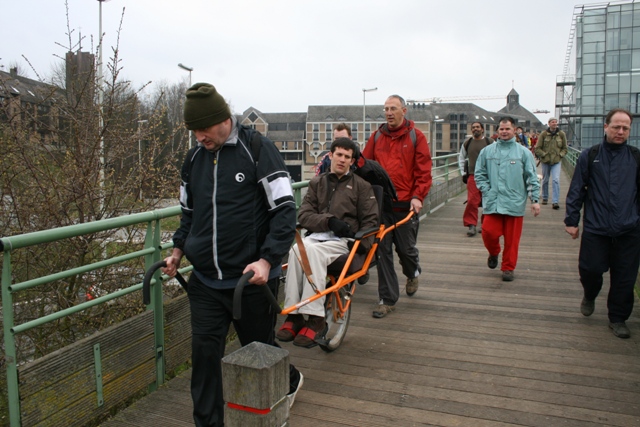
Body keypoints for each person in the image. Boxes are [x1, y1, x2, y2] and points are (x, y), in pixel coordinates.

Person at [161, 83, 302, 427]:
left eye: (204, 129)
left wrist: (267, 260)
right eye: (193, 131)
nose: (199, 137)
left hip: (250, 281)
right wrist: (178, 250)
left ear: (224, 119)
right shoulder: (194, 158)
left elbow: (285, 211)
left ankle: (286, 385)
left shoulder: (258, 149)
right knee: (205, 358)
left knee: (260, 353)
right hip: (207, 282)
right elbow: (188, 213)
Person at [277, 137, 379, 347]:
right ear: (331, 155)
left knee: (310, 252)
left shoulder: (362, 187)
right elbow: (304, 215)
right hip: (319, 236)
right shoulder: (317, 183)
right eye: (339, 155)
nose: (342, 160)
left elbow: (371, 221)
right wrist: (329, 221)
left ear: (352, 161)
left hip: (345, 240)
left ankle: (315, 318)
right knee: (297, 249)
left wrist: (359, 245)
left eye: (347, 157)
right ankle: (294, 315)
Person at [565, 108, 640, 339]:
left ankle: (617, 318)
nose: (620, 131)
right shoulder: (590, 155)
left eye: (625, 128)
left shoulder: (636, 157)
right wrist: (572, 219)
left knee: (624, 277)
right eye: (616, 127)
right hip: (597, 226)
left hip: (629, 228)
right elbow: (577, 188)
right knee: (590, 269)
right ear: (605, 127)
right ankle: (590, 293)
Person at [361, 94, 432, 318]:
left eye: (393, 108)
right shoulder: (376, 137)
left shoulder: (416, 137)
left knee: (406, 250)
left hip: (406, 206)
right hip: (383, 206)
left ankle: (412, 273)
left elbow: (423, 171)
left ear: (404, 110)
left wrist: (418, 196)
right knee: (382, 252)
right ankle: (387, 299)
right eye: (385, 109)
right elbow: (364, 166)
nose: (388, 113)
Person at [474, 116, 540, 282]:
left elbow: (531, 177)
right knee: (488, 232)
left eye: (507, 129)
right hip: (493, 201)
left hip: (515, 201)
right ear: (498, 131)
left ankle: (508, 268)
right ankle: (494, 252)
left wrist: (535, 200)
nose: (504, 132)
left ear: (514, 130)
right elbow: (479, 174)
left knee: (512, 239)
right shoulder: (487, 151)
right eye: (501, 129)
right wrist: (486, 190)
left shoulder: (523, 152)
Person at [458, 121, 493, 237]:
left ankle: (486, 225)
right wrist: (463, 173)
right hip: (473, 175)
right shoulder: (467, 143)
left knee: (488, 201)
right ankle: (471, 225)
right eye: (473, 127)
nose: (475, 129)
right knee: (472, 200)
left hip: (489, 176)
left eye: (478, 127)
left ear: (482, 129)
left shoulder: (490, 142)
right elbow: (462, 158)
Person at [535, 118, 568, 209]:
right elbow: (537, 148)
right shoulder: (544, 134)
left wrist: (560, 155)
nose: (555, 123)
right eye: (552, 122)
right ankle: (545, 197)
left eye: (556, 122)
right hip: (546, 161)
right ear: (549, 123)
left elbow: (565, 148)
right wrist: (543, 155)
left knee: (556, 180)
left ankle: (555, 201)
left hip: (556, 161)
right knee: (545, 180)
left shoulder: (561, 134)